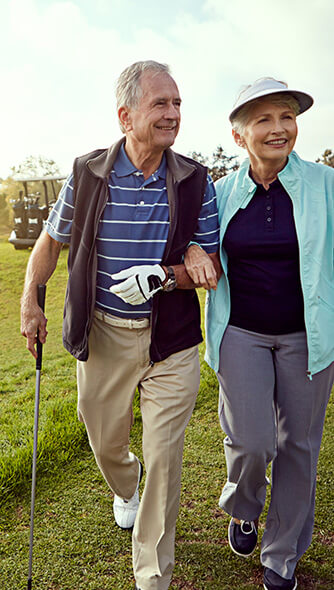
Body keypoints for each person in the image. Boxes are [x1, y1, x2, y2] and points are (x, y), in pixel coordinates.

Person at [20, 60, 220, 590]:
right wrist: (30, 299)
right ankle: (123, 485)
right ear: (124, 115)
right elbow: (50, 241)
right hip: (104, 333)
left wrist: (166, 275)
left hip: (170, 342)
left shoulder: (197, 180)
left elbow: (209, 264)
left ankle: (151, 576)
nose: (173, 114)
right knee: (106, 441)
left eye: (177, 103)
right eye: (160, 104)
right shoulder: (87, 174)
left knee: (166, 457)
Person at [190, 77, 334, 590]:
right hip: (242, 333)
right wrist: (191, 251)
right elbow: (195, 244)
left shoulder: (324, 185)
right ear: (239, 135)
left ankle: (281, 557)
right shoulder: (219, 192)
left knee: (300, 446)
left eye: (287, 118)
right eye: (264, 120)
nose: (279, 129)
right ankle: (244, 506)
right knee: (251, 443)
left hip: (307, 337)